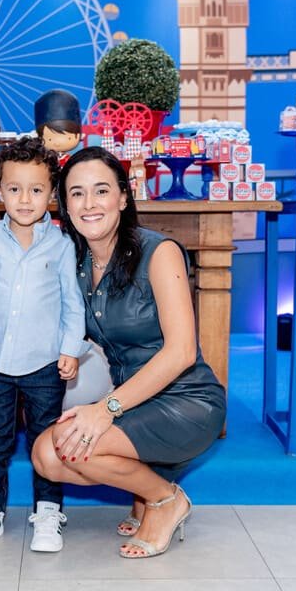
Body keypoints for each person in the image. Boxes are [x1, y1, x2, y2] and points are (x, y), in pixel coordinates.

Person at [31, 146, 226, 559]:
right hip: (133, 401)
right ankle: (148, 488)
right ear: (64, 205)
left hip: (186, 400)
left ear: (123, 197)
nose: (89, 204)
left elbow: (181, 352)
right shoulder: (74, 261)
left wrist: (105, 409)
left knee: (68, 444)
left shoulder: (159, 252)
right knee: (46, 456)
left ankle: (163, 500)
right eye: (77, 193)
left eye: (101, 191)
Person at [0, 136, 87, 554]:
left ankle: (48, 510)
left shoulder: (62, 244)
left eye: (36, 189)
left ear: (51, 193)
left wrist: (70, 348)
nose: (25, 199)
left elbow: (72, 301)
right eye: (14, 189)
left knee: (46, 439)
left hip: (45, 363)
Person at [34, 89, 82, 164]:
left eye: (68, 138)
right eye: (49, 139)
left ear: (78, 135)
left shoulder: (72, 160)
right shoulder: (44, 160)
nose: (57, 143)